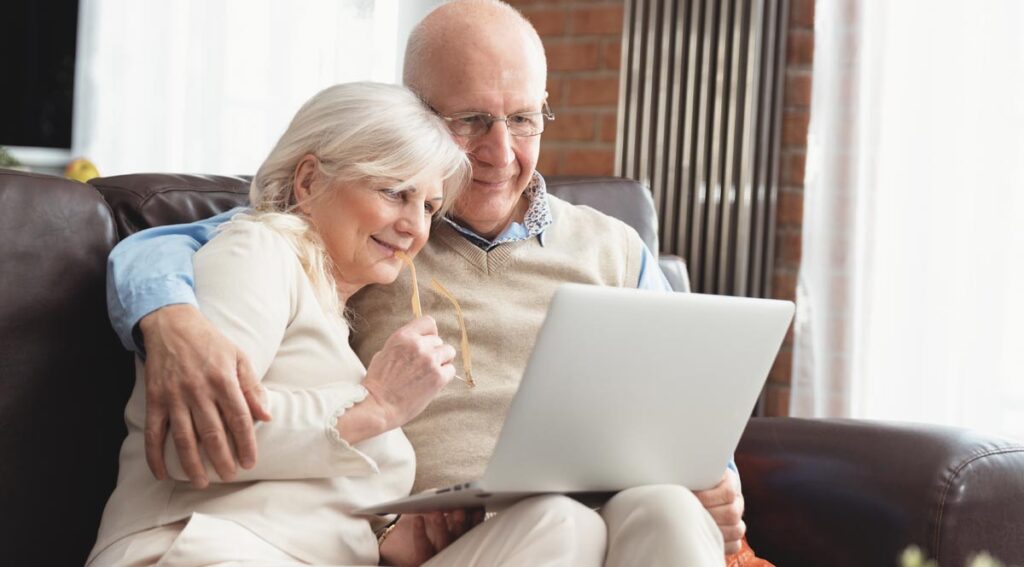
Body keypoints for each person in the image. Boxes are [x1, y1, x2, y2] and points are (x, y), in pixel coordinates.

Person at [106, 1, 751, 565]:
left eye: (524, 119)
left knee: (668, 508)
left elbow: (689, 404)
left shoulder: (615, 248)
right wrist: (167, 316)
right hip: (482, 539)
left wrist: (714, 479)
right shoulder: (360, 232)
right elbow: (183, 243)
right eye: (470, 121)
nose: (501, 154)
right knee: (562, 524)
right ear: (413, 118)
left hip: (610, 515)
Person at [90, 82, 614, 567]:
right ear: (311, 179)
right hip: (199, 549)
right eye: (394, 192)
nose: (414, 227)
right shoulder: (256, 251)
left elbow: (311, 493)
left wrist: (395, 535)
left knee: (563, 524)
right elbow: (198, 443)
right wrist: (376, 406)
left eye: (429, 206)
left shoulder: (340, 317)